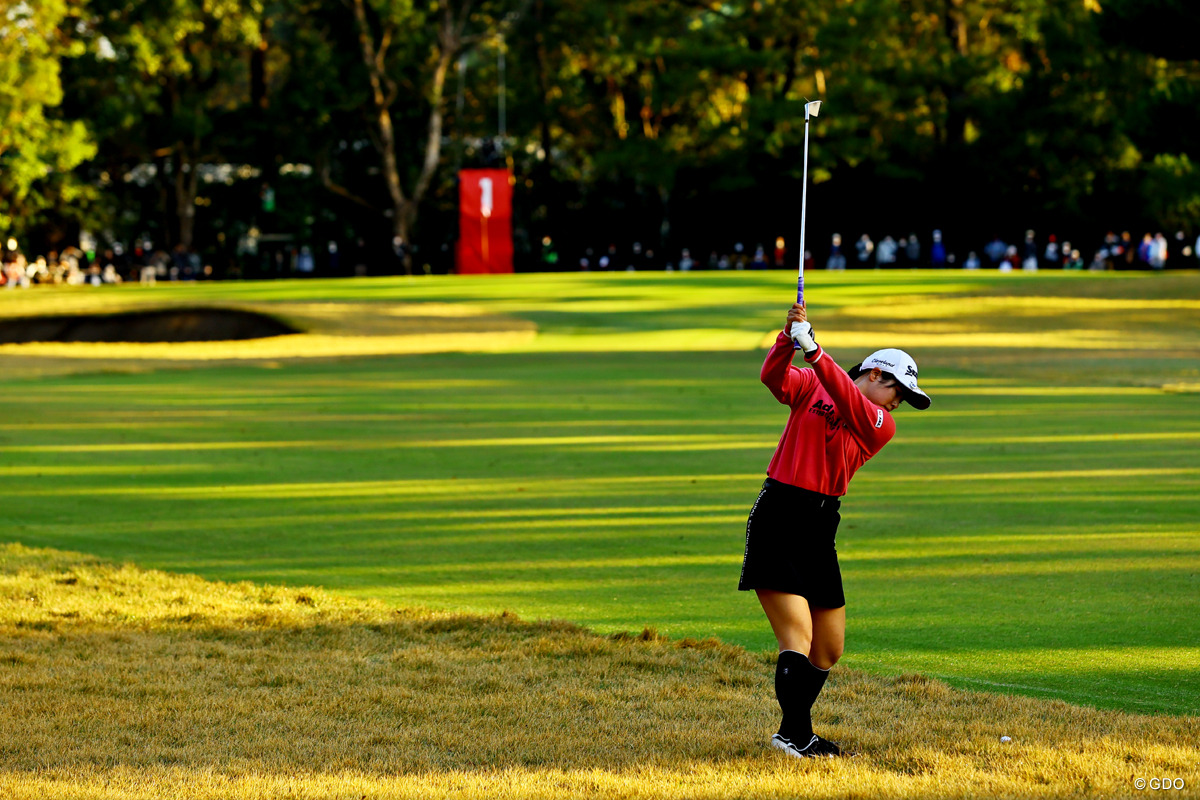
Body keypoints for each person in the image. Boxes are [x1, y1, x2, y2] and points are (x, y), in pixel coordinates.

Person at [740, 302, 930, 759]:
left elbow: (849, 401)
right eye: (897, 391)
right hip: (780, 513)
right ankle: (797, 737)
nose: (896, 403)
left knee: (828, 646)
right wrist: (789, 339)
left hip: (821, 525)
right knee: (798, 636)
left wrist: (815, 350)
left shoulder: (881, 424)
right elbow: (772, 379)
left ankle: (791, 733)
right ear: (876, 375)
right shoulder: (810, 384)